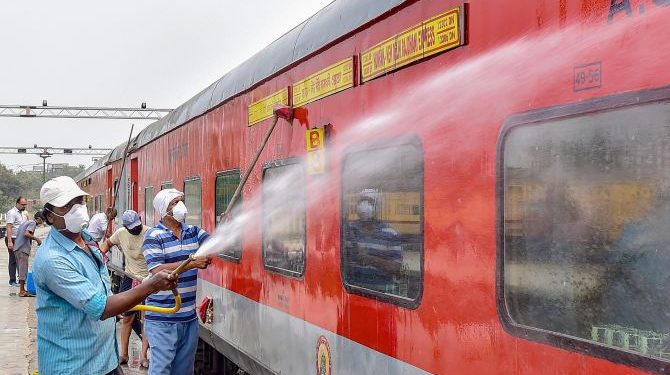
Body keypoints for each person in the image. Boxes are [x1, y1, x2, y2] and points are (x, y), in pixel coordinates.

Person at [32, 176, 178, 375]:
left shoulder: (87, 239)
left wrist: (115, 302)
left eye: (79, 201)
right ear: (49, 216)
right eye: (67, 206)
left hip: (105, 358)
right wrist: (151, 285)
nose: (77, 208)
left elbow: (100, 290)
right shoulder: (53, 260)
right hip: (73, 366)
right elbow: (100, 308)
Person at [143, 188, 212, 375]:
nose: (181, 205)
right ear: (164, 209)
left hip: (188, 319)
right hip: (162, 319)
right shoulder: (153, 237)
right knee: (161, 370)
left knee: (183, 371)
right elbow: (157, 270)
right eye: (174, 203)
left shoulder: (194, 232)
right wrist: (191, 263)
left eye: (181, 200)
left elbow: (211, 244)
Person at [100, 210, 151, 368]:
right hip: (130, 278)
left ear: (140, 220)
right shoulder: (121, 233)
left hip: (149, 280)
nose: (135, 229)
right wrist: (99, 257)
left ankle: (143, 356)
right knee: (127, 317)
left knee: (146, 319)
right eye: (131, 228)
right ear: (125, 227)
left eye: (137, 226)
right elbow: (107, 244)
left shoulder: (150, 233)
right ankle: (123, 354)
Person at [343, 189, 403, 294]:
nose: (363, 205)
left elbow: (396, 268)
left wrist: (368, 259)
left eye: (369, 201)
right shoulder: (348, 231)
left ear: (377, 207)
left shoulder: (391, 234)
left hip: (380, 296)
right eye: (361, 201)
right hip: (353, 293)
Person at [12, 210, 45, 297]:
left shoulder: (26, 222)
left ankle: (22, 289)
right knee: (23, 269)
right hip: (22, 249)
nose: (43, 222)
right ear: (38, 218)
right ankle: (22, 291)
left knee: (21, 269)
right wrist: (37, 239)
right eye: (42, 220)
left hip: (17, 248)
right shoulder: (33, 223)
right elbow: (26, 234)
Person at [5, 196, 28, 287]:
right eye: (22, 204)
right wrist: (10, 241)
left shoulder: (24, 213)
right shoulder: (12, 213)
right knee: (13, 260)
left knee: (21, 260)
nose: (24, 206)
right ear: (17, 203)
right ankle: (12, 280)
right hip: (13, 238)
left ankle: (21, 280)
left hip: (21, 239)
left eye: (25, 205)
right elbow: (9, 227)